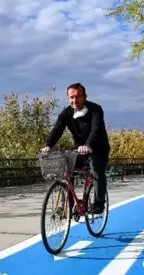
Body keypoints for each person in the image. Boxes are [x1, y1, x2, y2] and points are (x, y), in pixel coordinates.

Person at [40, 83, 110, 214]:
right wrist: (48, 145)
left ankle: (99, 203)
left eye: (78, 96)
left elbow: (96, 130)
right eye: (71, 97)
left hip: (98, 148)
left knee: (97, 170)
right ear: (68, 98)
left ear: (85, 97)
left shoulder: (95, 110)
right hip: (79, 149)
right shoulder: (67, 113)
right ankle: (68, 204)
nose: (75, 100)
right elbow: (57, 129)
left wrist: (88, 145)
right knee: (66, 167)